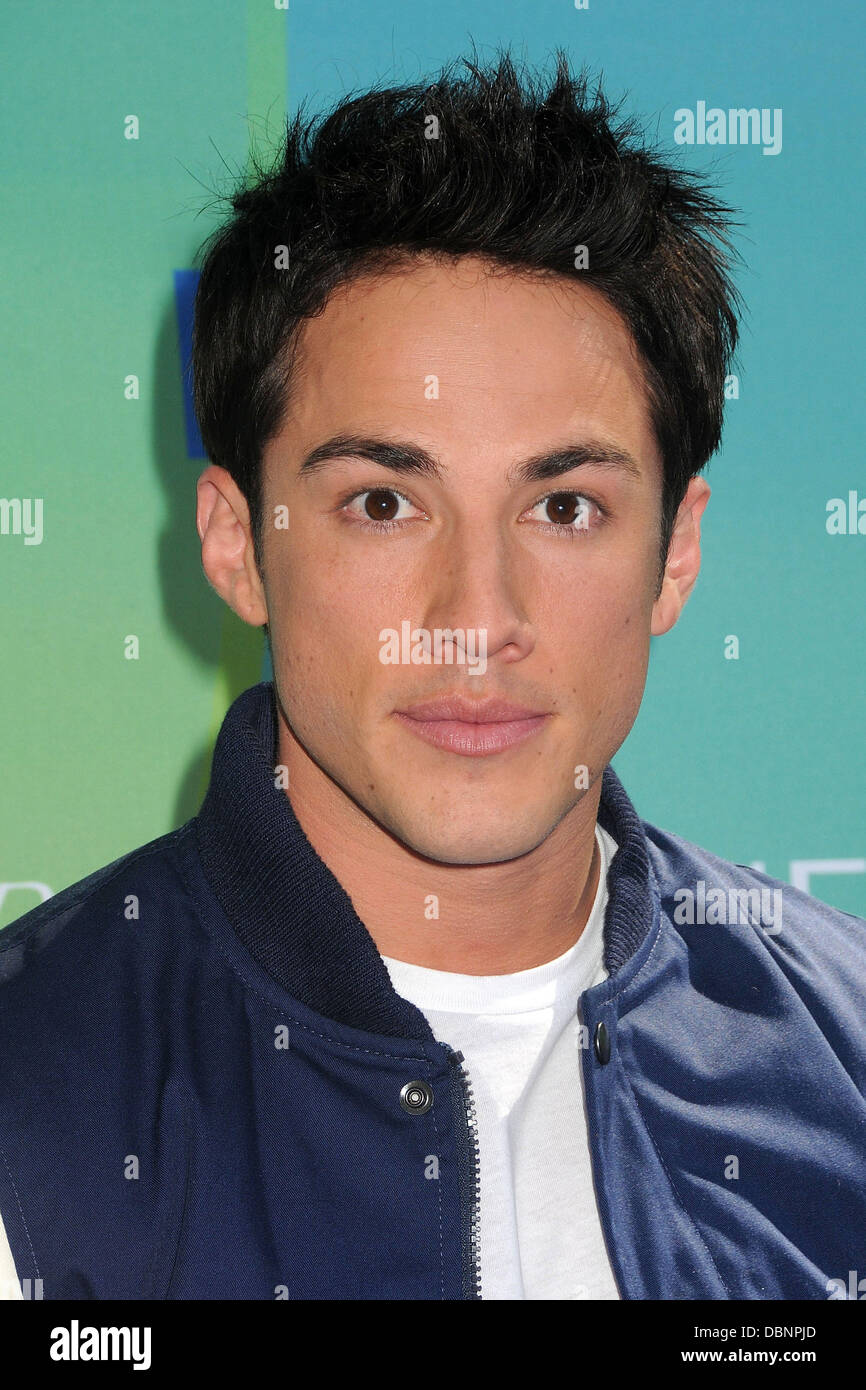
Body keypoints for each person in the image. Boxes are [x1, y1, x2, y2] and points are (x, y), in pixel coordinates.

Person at [1, 48, 864, 1302]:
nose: (476, 619)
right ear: (237, 544)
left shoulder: (843, 1053)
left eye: (563, 506)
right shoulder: (31, 1084)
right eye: (383, 502)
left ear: (674, 555)